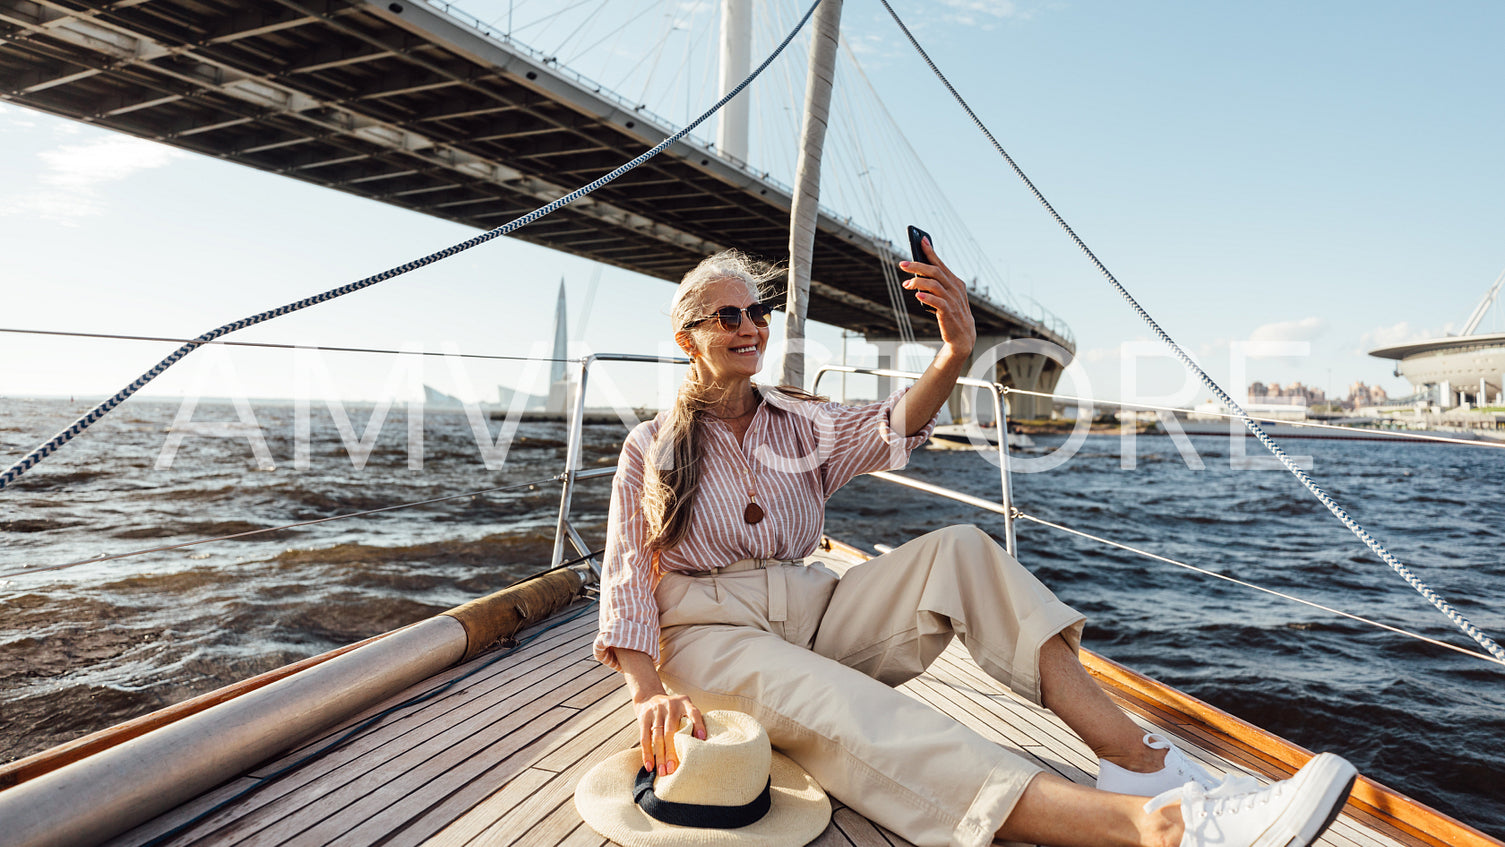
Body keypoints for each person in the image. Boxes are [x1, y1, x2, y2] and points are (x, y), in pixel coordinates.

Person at [593, 245, 1356, 847]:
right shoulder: (650, 444)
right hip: (710, 636)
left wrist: (954, 352)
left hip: (811, 609)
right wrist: (645, 690)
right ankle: (1160, 829)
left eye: (756, 310)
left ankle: (1137, 761)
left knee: (959, 546)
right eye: (727, 316)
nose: (748, 326)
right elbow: (629, 576)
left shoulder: (801, 421)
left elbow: (893, 424)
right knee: (850, 706)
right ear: (687, 337)